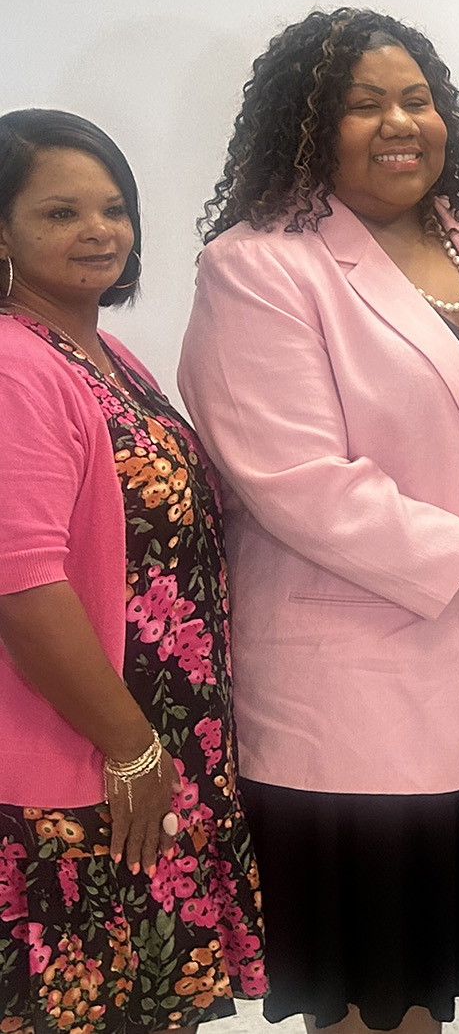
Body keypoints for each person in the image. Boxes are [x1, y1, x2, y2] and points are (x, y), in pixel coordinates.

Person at [176, 9, 459, 1034]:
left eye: (417, 98)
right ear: (305, 126)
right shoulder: (257, 264)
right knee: (374, 979)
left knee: (441, 960)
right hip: (366, 686)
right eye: (364, 104)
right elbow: (300, 482)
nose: (400, 122)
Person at [0, 109, 266, 1032]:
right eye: (60, 212)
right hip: (84, 761)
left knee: (150, 1007)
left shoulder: (104, 354)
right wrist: (132, 748)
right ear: (2, 232)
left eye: (114, 209)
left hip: (155, 744)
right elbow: (23, 585)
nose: (99, 231)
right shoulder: (15, 366)